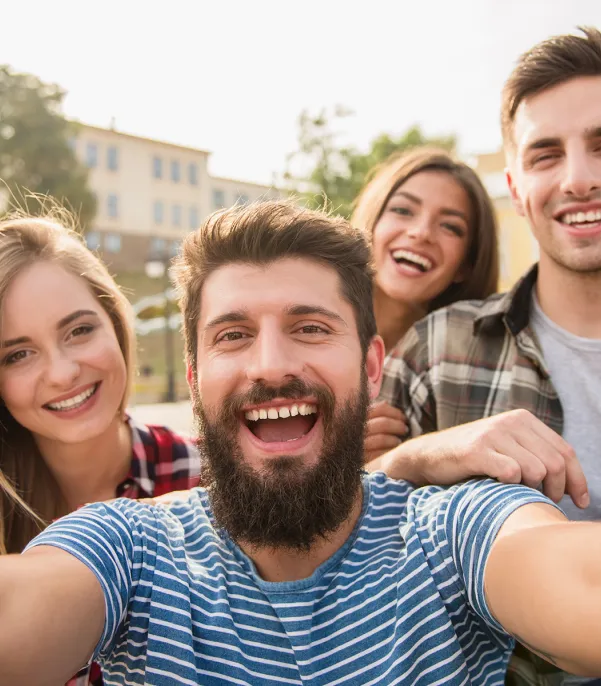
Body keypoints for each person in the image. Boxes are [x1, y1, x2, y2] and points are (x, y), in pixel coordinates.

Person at [1, 201, 601, 686]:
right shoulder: (129, 547)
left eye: (310, 328)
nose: (270, 364)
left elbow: (568, 575)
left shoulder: (454, 531)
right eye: (233, 335)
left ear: (371, 367)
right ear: (192, 377)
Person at [373, 26, 601, 686]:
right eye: (545, 155)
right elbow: (331, 543)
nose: (578, 179)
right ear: (514, 183)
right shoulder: (438, 349)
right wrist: (416, 458)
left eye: (599, 146)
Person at [0, 215, 200, 685]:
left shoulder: (207, 477)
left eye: (79, 331)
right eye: (17, 354)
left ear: (115, 324)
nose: (63, 372)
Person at [352, 149, 500, 460]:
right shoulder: (307, 329)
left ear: (466, 265)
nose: (421, 233)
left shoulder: (470, 374)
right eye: (403, 210)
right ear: (372, 224)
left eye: (450, 227)